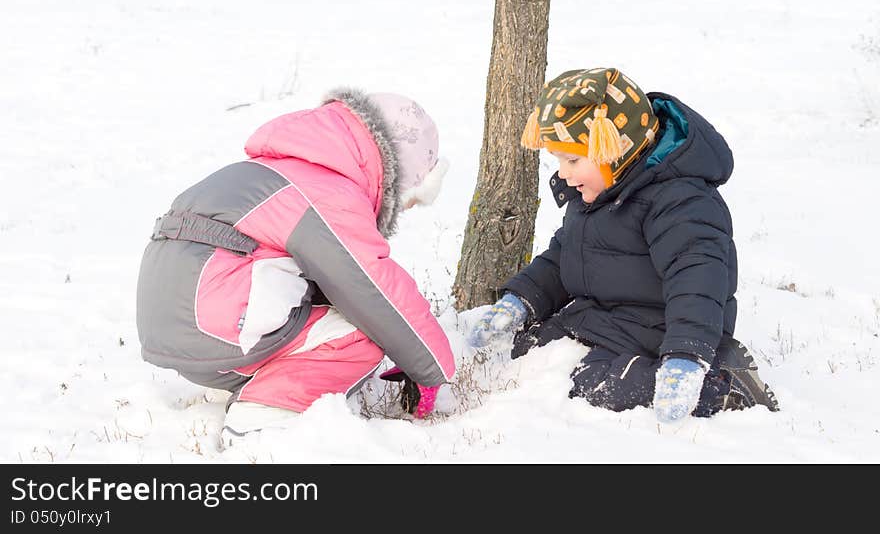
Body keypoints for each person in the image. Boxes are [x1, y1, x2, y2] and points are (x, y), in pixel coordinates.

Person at [136, 88, 454, 447]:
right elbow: (371, 287)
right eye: (409, 199)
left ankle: (252, 378)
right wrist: (431, 369)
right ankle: (262, 415)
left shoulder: (275, 168)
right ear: (394, 172)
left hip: (166, 318)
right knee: (364, 334)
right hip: (213, 322)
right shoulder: (328, 192)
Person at [471, 67, 779, 423]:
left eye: (572, 160)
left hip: (661, 330)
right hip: (605, 320)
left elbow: (698, 279)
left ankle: (724, 386)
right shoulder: (596, 191)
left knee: (600, 386)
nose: (564, 173)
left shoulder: (680, 200)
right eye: (558, 160)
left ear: (615, 150)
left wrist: (685, 354)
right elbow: (563, 256)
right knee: (530, 350)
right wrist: (521, 299)